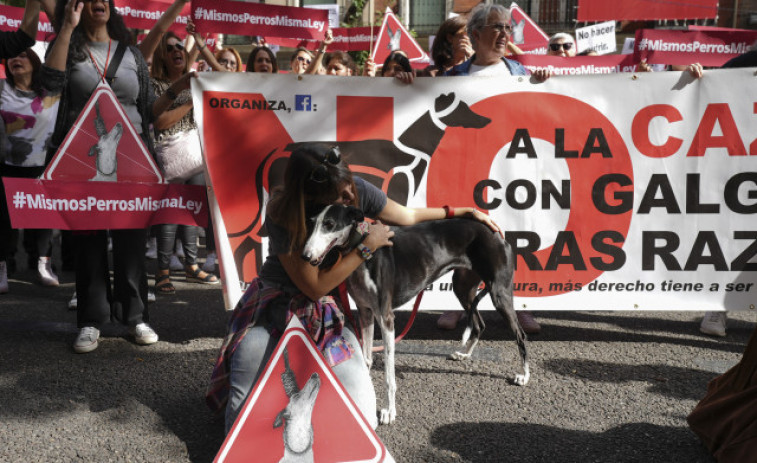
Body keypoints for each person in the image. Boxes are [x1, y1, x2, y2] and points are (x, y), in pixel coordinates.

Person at [206, 144, 502, 433]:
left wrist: (463, 211)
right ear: (313, 199)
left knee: (364, 418)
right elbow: (313, 287)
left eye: (349, 183)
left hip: (324, 315)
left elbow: (406, 216)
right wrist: (365, 248)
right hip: (272, 308)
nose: (351, 194)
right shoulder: (284, 210)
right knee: (242, 410)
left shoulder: (351, 187)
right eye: (341, 193)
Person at [44, 0, 194, 353]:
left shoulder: (130, 53)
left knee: (131, 241)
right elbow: (50, 84)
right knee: (90, 240)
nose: (100, 1)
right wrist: (66, 27)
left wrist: (176, 89)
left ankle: (135, 316)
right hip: (84, 162)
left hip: (132, 162)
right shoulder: (68, 45)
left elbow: (147, 112)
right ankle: (91, 321)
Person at [150, 31, 219, 294]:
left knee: (192, 209)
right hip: (169, 156)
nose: (177, 50)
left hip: (196, 154)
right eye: (169, 49)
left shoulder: (197, 81)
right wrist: (192, 101)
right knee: (170, 212)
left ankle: (192, 265)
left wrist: (201, 43)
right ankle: (163, 270)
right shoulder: (156, 85)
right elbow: (160, 123)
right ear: (161, 57)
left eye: (180, 46)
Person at [0, 48, 62, 294]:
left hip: (43, 165)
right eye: (12, 56)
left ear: (35, 62)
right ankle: (2, 267)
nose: (16, 59)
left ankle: (44, 265)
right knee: (4, 220)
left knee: (43, 218)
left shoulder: (52, 92)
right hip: (6, 165)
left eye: (23, 55)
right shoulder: (1, 88)